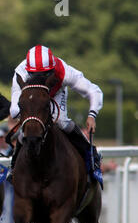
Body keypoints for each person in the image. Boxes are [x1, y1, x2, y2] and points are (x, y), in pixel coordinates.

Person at [8, 45, 103, 184]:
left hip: (55, 94)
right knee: (28, 127)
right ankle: (14, 166)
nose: (40, 78)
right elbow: (14, 111)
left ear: (52, 69)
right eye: (34, 75)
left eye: (45, 74)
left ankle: (92, 159)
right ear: (28, 71)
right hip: (32, 98)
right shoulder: (20, 73)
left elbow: (94, 91)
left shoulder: (65, 71)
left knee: (61, 122)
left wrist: (92, 115)